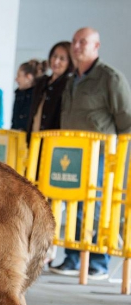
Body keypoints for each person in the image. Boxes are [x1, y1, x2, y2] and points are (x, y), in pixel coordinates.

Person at [49, 27, 131, 280]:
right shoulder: (72, 79)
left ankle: (98, 262)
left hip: (100, 157)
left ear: (96, 46)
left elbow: (125, 120)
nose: (76, 46)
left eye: (83, 42)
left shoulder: (109, 78)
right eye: (74, 41)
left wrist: (117, 159)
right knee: (72, 205)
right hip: (71, 156)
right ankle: (73, 258)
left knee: (95, 208)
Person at [26, 41, 74, 140]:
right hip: (34, 139)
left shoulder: (69, 85)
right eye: (54, 56)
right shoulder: (42, 82)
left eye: (62, 59)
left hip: (53, 142)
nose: (56, 61)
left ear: (69, 62)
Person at [11, 59, 46, 130]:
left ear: (28, 77)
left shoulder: (38, 96)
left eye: (19, 76)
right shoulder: (18, 94)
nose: (16, 79)